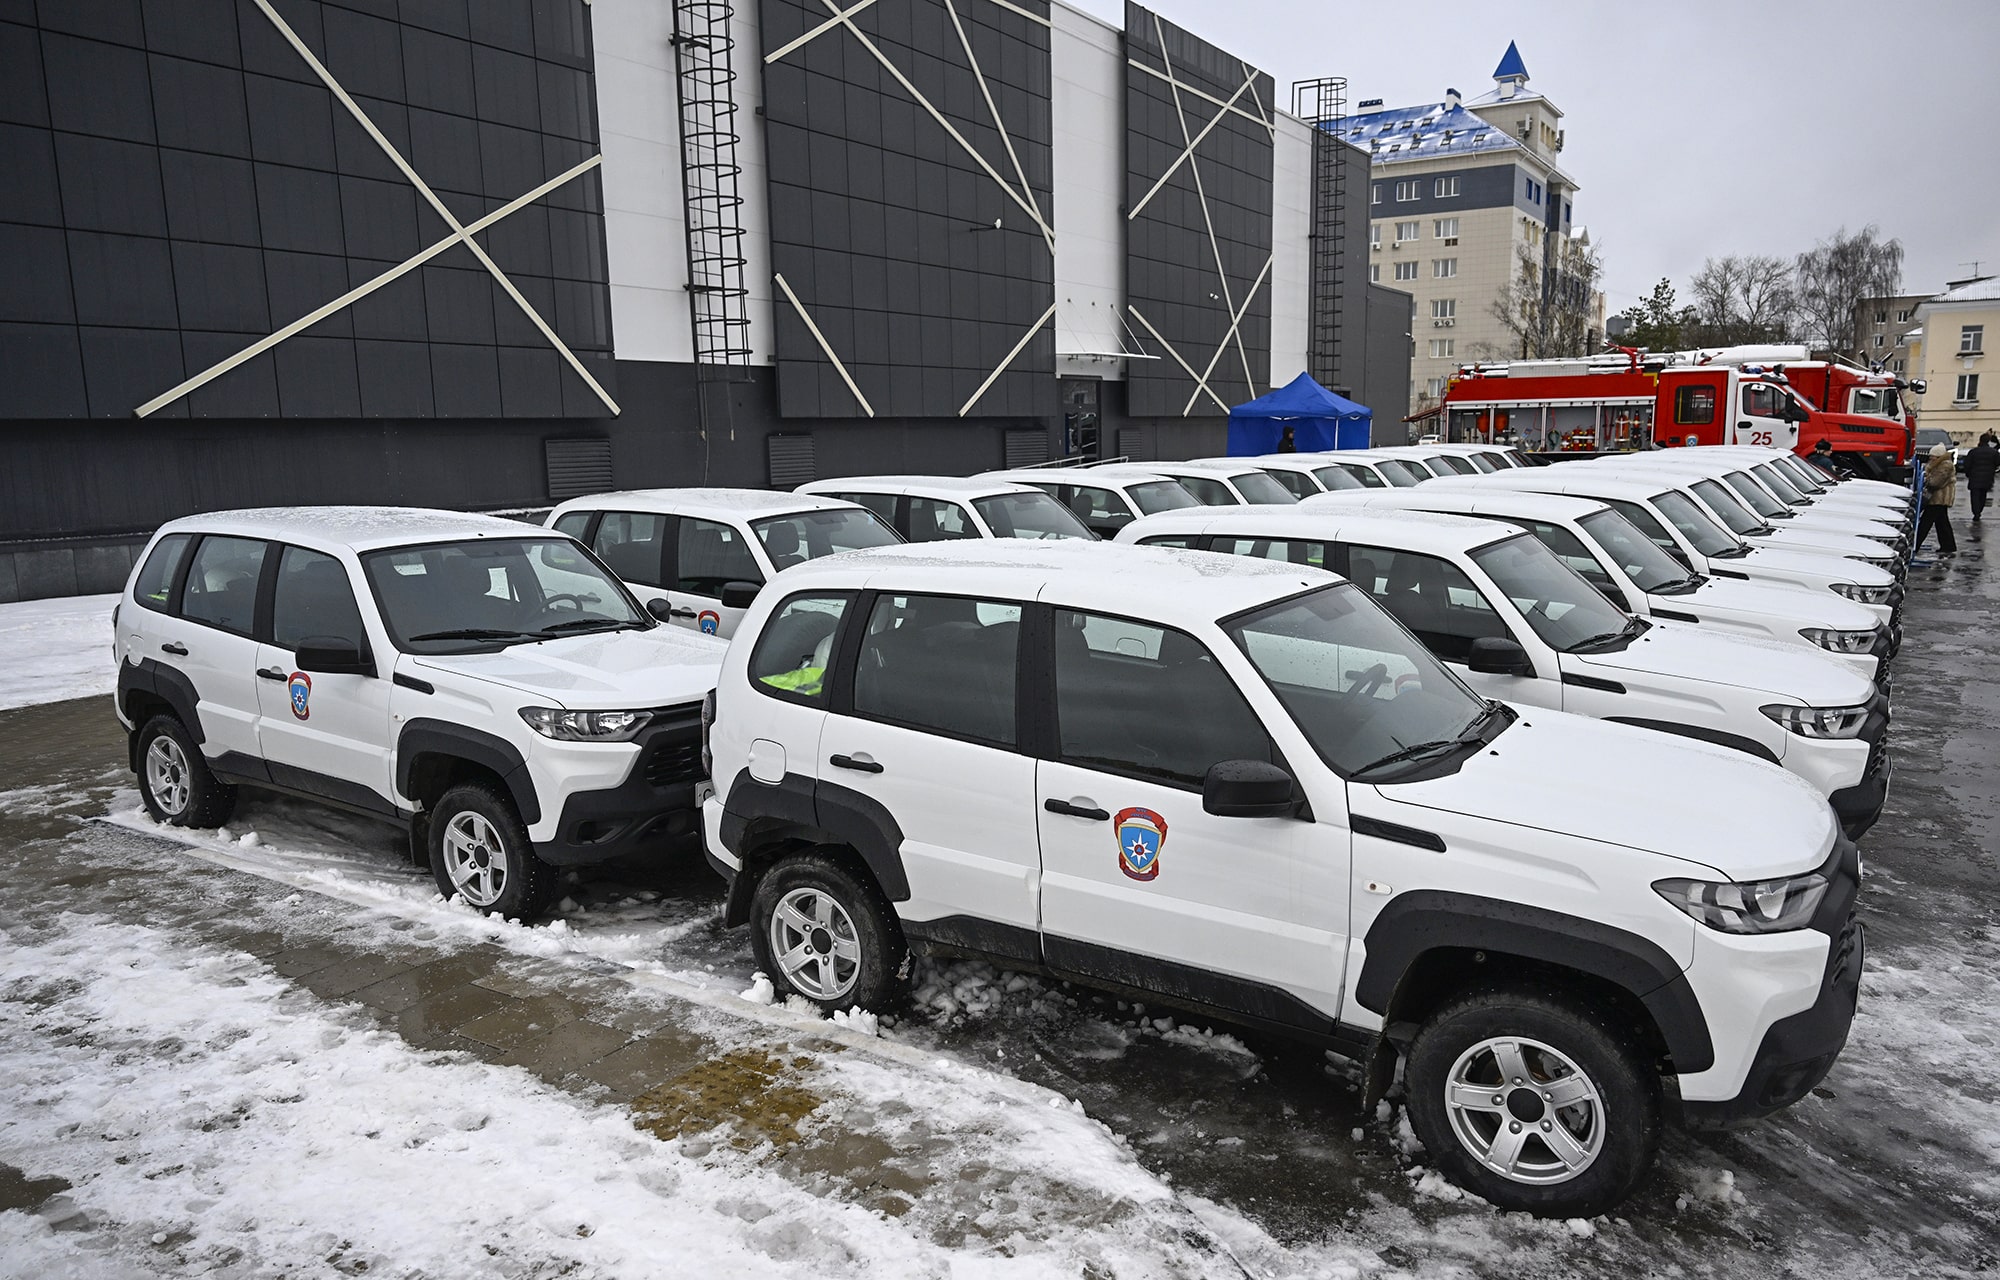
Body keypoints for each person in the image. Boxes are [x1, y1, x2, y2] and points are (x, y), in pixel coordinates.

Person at [1914, 441, 1959, 558]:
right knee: (1942, 523)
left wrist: (1927, 476)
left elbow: (1935, 482)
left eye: (1932, 456)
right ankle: (1948, 546)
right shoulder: (1942, 464)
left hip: (1938, 498)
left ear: (1938, 456)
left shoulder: (1945, 466)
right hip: (1939, 498)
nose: (1930, 458)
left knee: (1926, 522)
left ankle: (1915, 545)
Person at [1967, 433, 2000, 523]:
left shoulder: (1973, 452)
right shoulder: (1993, 452)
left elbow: (1967, 465)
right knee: (1983, 495)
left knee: (1975, 496)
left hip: (1974, 477)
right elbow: (1997, 463)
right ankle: (1979, 511)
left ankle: (1976, 512)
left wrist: (1968, 474)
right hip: (1987, 477)